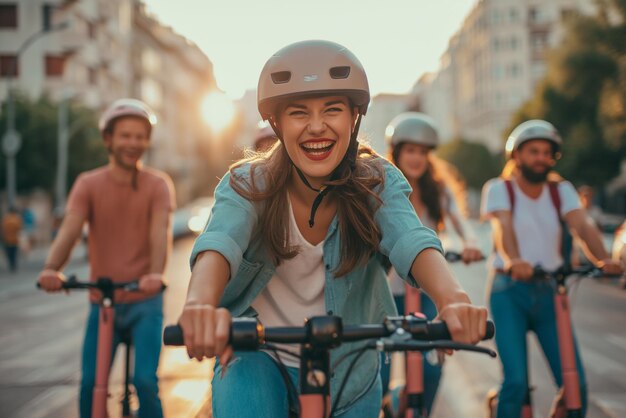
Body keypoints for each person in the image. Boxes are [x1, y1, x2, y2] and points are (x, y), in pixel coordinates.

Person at [177, 40, 488, 418]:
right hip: (254, 357)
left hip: (350, 366)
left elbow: (411, 237)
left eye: (332, 110)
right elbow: (220, 242)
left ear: (355, 117)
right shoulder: (249, 182)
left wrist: (452, 299)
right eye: (298, 112)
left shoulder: (377, 179)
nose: (316, 126)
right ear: (276, 123)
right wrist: (198, 306)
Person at [37, 98, 175, 418]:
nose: (134, 143)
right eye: (126, 135)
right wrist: (50, 269)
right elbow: (70, 231)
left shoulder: (158, 184)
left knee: (145, 381)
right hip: (104, 303)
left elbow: (160, 233)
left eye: (140, 136)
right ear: (108, 139)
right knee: (90, 385)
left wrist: (156, 274)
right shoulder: (88, 183)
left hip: (145, 300)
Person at [481, 119, 622, 417]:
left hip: (550, 293)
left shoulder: (562, 191)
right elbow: (503, 228)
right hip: (509, 291)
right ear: (516, 155)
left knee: (576, 388)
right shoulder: (499, 189)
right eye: (534, 151)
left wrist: (604, 259)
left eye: (547, 152)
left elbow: (583, 225)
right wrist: (514, 260)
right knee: (516, 383)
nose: (541, 158)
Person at [382, 112, 484, 415]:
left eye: (423, 152)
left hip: (424, 294)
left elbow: (462, 224)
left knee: (432, 367)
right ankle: (388, 402)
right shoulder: (381, 186)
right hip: (386, 294)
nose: (417, 158)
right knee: (378, 371)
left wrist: (470, 244)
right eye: (410, 150)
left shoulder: (437, 190)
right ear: (397, 151)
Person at [2, 206, 23, 272]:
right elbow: (19, 228)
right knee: (14, 253)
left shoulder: (5, 219)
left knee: (9, 253)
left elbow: (2, 229)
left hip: (7, 239)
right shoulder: (17, 219)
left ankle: (11, 264)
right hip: (14, 239)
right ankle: (13, 264)